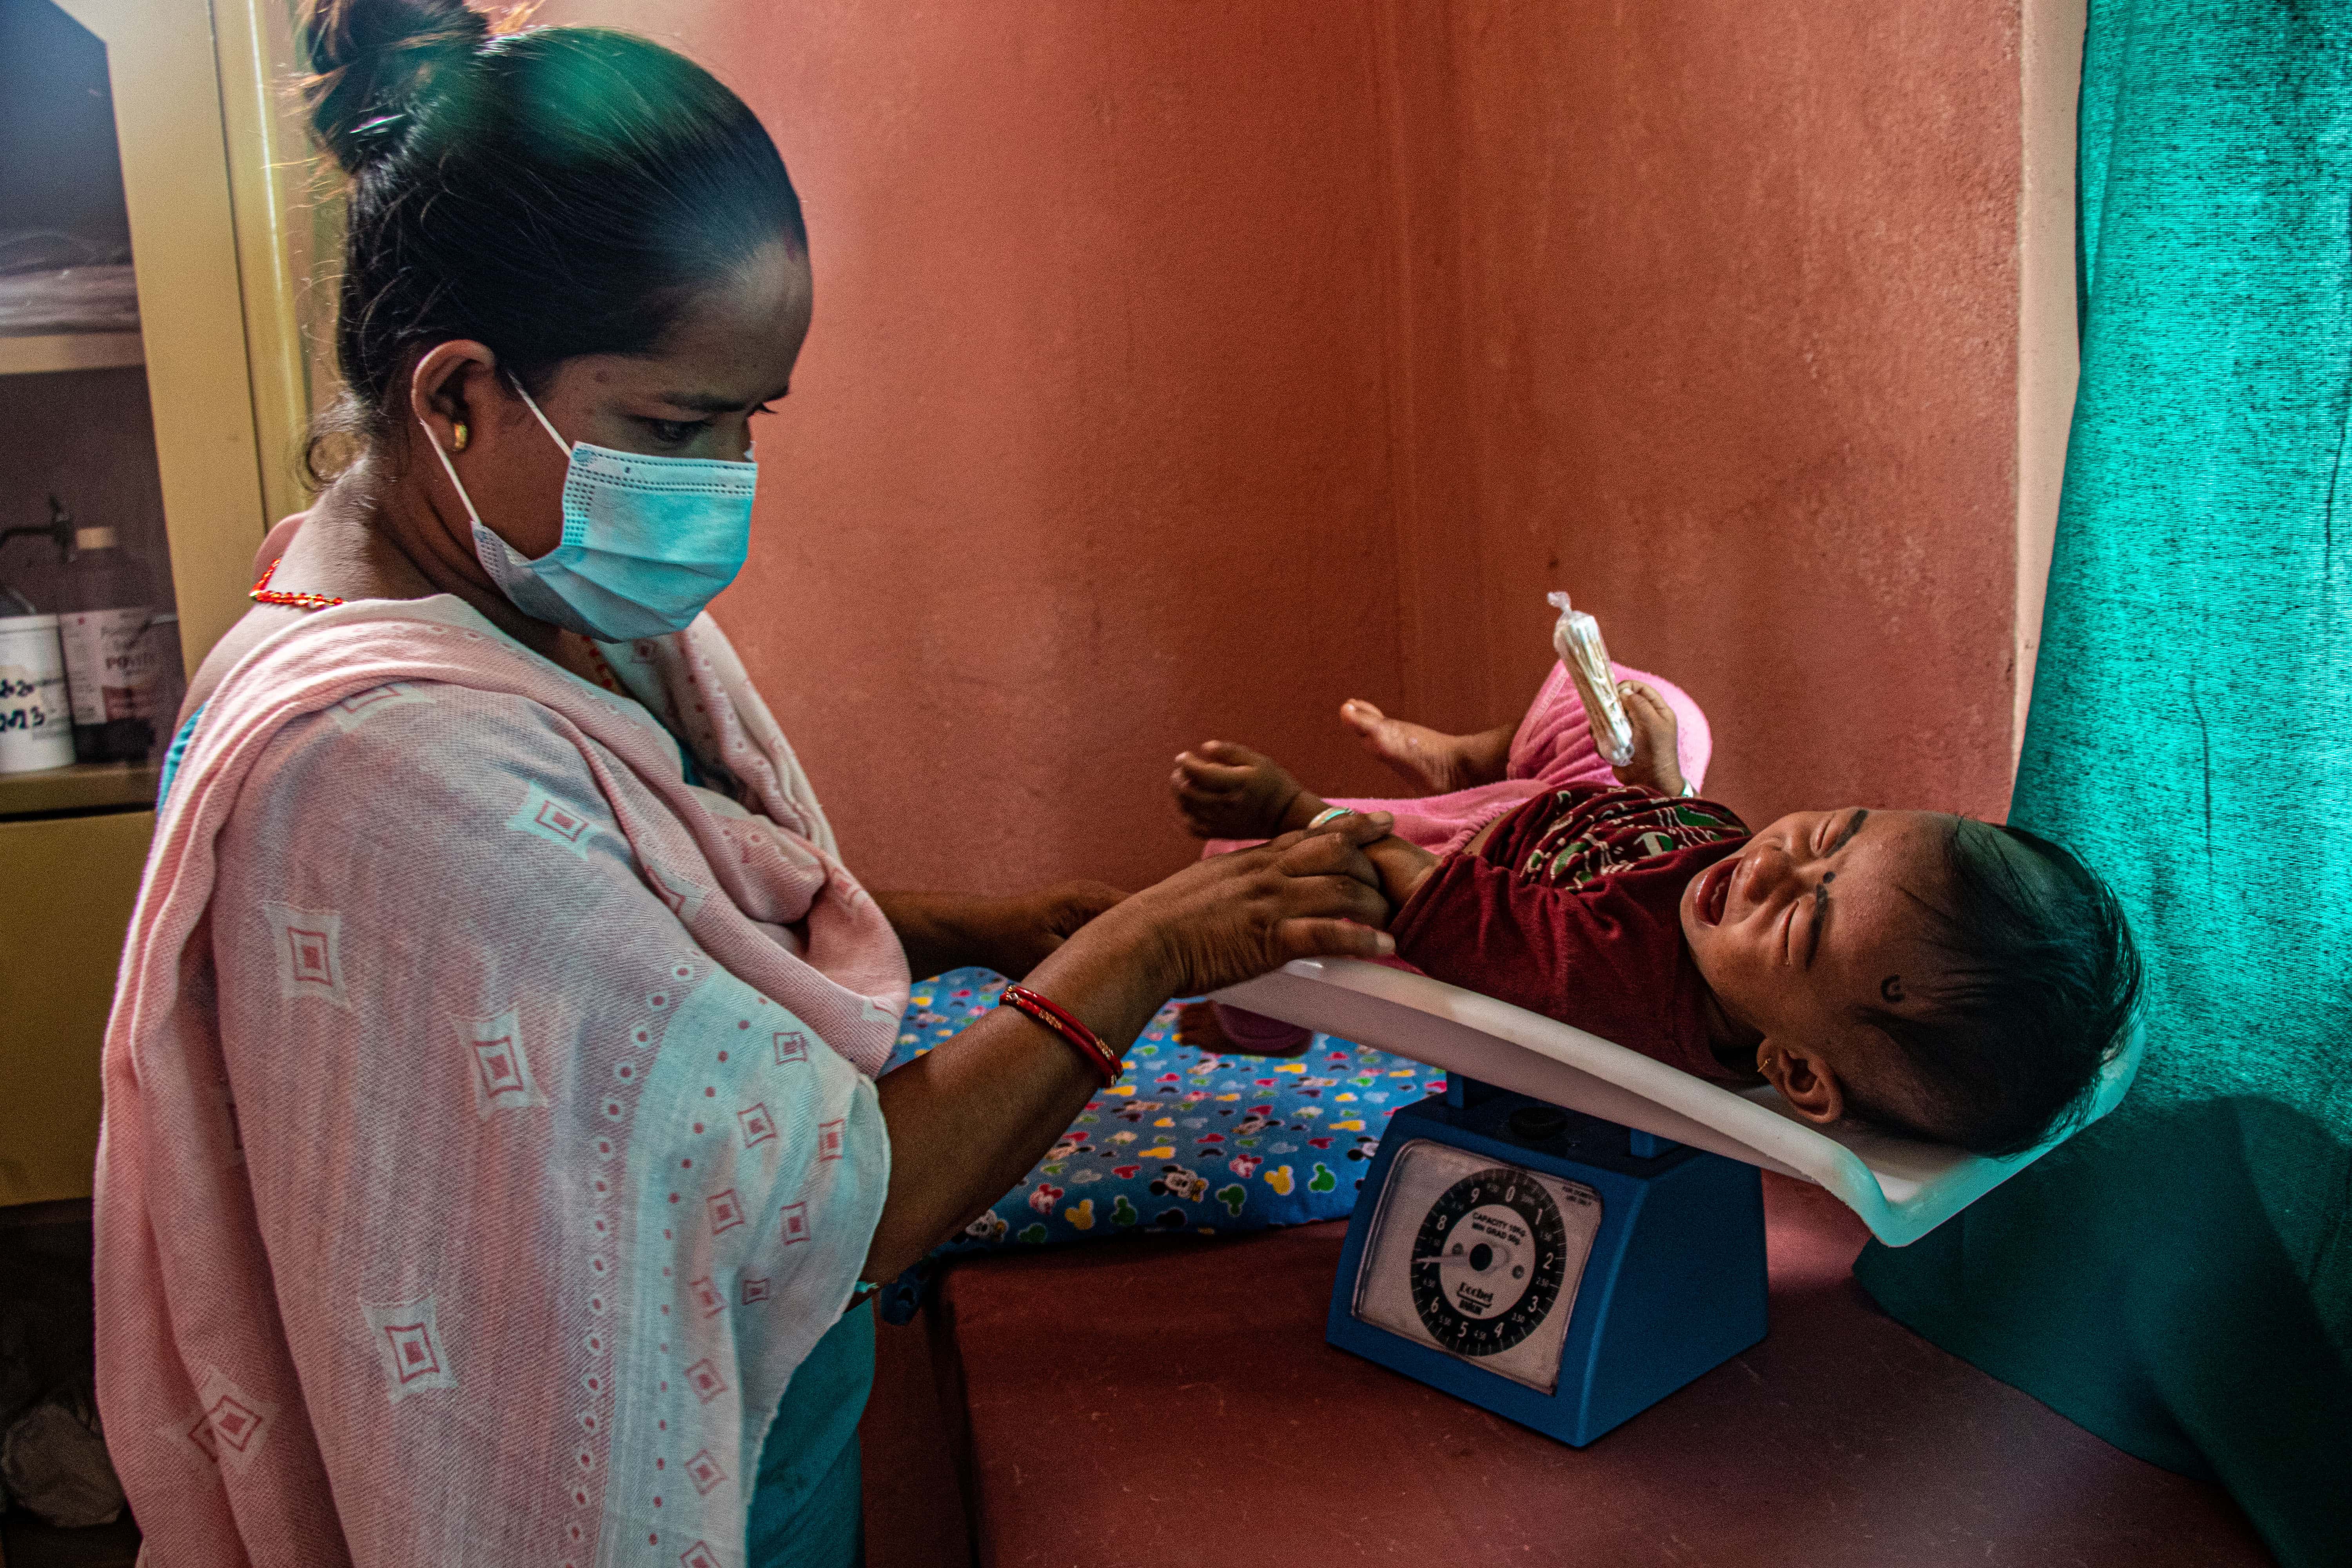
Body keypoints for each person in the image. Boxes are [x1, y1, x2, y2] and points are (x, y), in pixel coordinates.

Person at [92, 6, 1399, 1565]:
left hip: (761, 1442)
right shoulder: (378, 776)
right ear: (455, 397)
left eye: (746, 422)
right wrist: (1145, 953)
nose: (721, 482)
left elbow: (667, 939)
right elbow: (831, 1206)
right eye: (673, 424)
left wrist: (1014, 920)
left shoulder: (520, 602)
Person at [1172, 644, 2144, 1158]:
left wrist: (1298, 806)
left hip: (1473, 857)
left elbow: (1455, 907)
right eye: (1835, 831)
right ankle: (1479, 752)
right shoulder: (1738, 926)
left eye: (1804, 919)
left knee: (1263, 885)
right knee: (1666, 709)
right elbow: (1694, 838)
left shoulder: (1612, 983)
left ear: (1797, 1071)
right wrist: (1667, 780)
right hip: (1577, 816)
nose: (1772, 863)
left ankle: (1252, 1021)